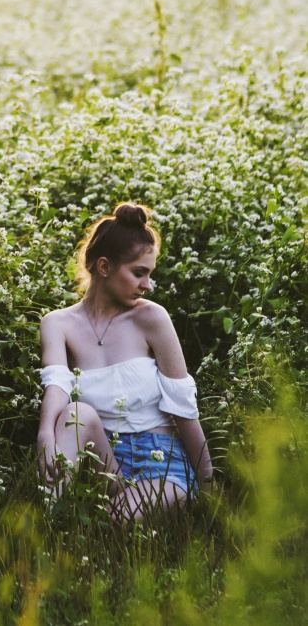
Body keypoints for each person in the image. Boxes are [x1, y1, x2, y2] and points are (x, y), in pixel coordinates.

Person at [37, 202, 213, 522]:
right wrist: (46, 432)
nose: (147, 285)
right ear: (104, 267)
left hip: (161, 463)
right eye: (138, 273)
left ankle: (87, 521)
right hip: (105, 462)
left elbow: (183, 409)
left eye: (149, 274)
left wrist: (210, 488)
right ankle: (47, 523)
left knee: (110, 522)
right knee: (77, 414)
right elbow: (57, 386)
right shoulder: (57, 324)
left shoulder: (151, 317)